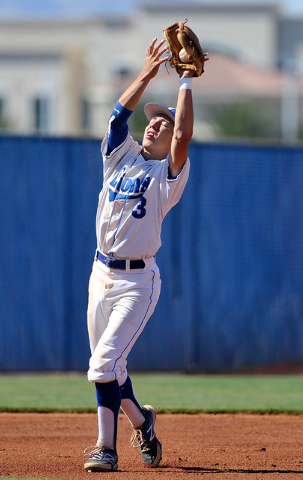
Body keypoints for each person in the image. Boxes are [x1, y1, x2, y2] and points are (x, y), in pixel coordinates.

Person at [84, 37, 196, 472]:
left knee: (102, 363)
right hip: (100, 274)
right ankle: (143, 421)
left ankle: (105, 449)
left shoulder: (169, 175)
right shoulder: (120, 157)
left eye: (162, 124)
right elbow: (119, 114)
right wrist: (148, 73)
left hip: (137, 282)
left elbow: (185, 133)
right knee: (112, 367)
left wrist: (185, 81)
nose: (154, 125)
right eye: (153, 121)